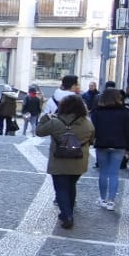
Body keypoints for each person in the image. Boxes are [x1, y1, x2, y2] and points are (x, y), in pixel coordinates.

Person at [38, 93, 95, 229]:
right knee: (71, 185)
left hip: (60, 161)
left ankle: (67, 215)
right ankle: (67, 211)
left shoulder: (55, 122)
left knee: (61, 188)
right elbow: (92, 139)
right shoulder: (87, 123)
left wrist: (45, 117)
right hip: (79, 162)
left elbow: (39, 131)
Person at [90, 88, 129, 209]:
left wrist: (91, 141)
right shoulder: (125, 112)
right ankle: (111, 201)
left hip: (102, 144)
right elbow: (128, 131)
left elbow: (92, 129)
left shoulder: (97, 112)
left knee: (103, 173)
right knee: (114, 173)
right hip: (119, 145)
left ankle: (103, 199)